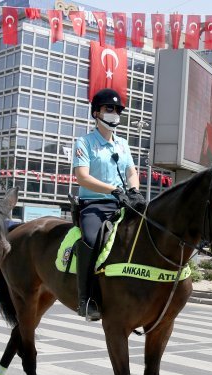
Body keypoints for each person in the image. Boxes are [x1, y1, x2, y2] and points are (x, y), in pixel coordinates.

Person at [71, 88, 145, 321]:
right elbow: (82, 177)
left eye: (117, 110)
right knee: (92, 240)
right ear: (96, 113)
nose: (114, 114)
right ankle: (86, 299)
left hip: (122, 204)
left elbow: (131, 172)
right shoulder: (84, 142)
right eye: (109, 109)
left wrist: (133, 190)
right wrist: (112, 189)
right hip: (94, 204)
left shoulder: (123, 144)